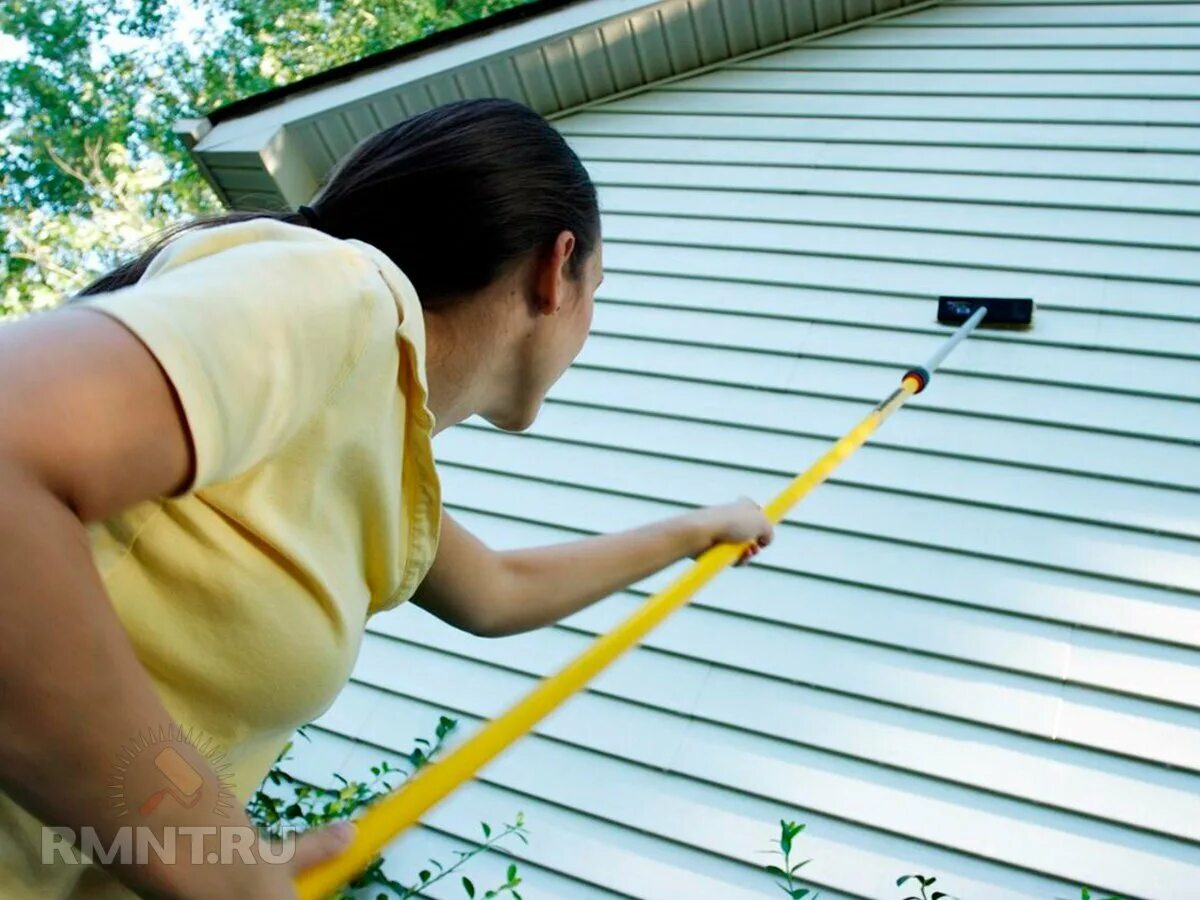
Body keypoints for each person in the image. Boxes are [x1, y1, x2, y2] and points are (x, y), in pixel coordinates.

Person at [0, 97, 774, 898]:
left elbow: (501, 591)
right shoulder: (341, 296)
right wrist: (224, 868)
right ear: (557, 267)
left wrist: (701, 530)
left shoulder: (373, 441)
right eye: (598, 289)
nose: (591, 322)